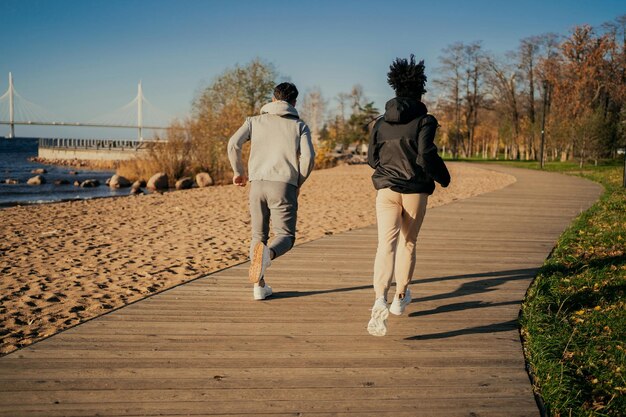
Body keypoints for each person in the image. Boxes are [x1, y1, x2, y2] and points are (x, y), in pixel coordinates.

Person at [366, 55, 451, 336]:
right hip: (414, 190)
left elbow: (371, 158)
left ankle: (380, 297)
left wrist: (387, 171)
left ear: (395, 88)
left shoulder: (379, 122)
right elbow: (426, 154)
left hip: (387, 189)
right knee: (408, 243)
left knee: (384, 245)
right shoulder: (425, 121)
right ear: (420, 89)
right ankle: (400, 298)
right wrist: (443, 177)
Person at [227, 82, 315, 300]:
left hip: (256, 184)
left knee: (258, 235)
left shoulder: (253, 122)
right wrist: (297, 182)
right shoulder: (299, 125)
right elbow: (309, 158)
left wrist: (238, 171)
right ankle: (269, 255)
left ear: (273, 99)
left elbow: (233, 144)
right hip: (283, 184)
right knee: (285, 235)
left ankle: (259, 287)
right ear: (294, 102)